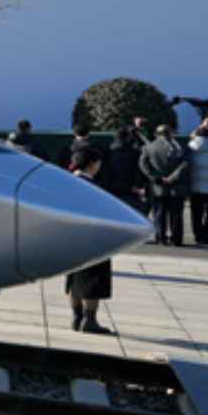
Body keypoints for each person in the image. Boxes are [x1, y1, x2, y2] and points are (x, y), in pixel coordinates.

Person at [65, 148, 115, 334]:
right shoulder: (92, 186)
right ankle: (90, 320)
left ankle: (76, 317)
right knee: (92, 280)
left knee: (73, 279)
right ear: (92, 163)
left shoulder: (68, 181)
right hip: (92, 239)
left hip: (71, 238)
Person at [140, 123, 191, 246]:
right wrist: (173, 177)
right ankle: (176, 239)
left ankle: (161, 237)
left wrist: (155, 177)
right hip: (177, 186)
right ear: (170, 133)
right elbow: (185, 164)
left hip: (159, 185)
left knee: (159, 213)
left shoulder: (149, 147)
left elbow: (143, 164)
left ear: (157, 134)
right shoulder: (180, 146)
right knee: (176, 214)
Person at [106, 126, 145, 212]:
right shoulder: (134, 153)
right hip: (130, 188)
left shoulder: (109, 152)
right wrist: (138, 185)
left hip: (112, 187)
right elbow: (137, 171)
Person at [191, 117, 208, 246]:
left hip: (195, 186)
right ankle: (207, 235)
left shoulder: (192, 147)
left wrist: (200, 127)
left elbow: (193, 136)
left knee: (196, 213)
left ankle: (198, 236)